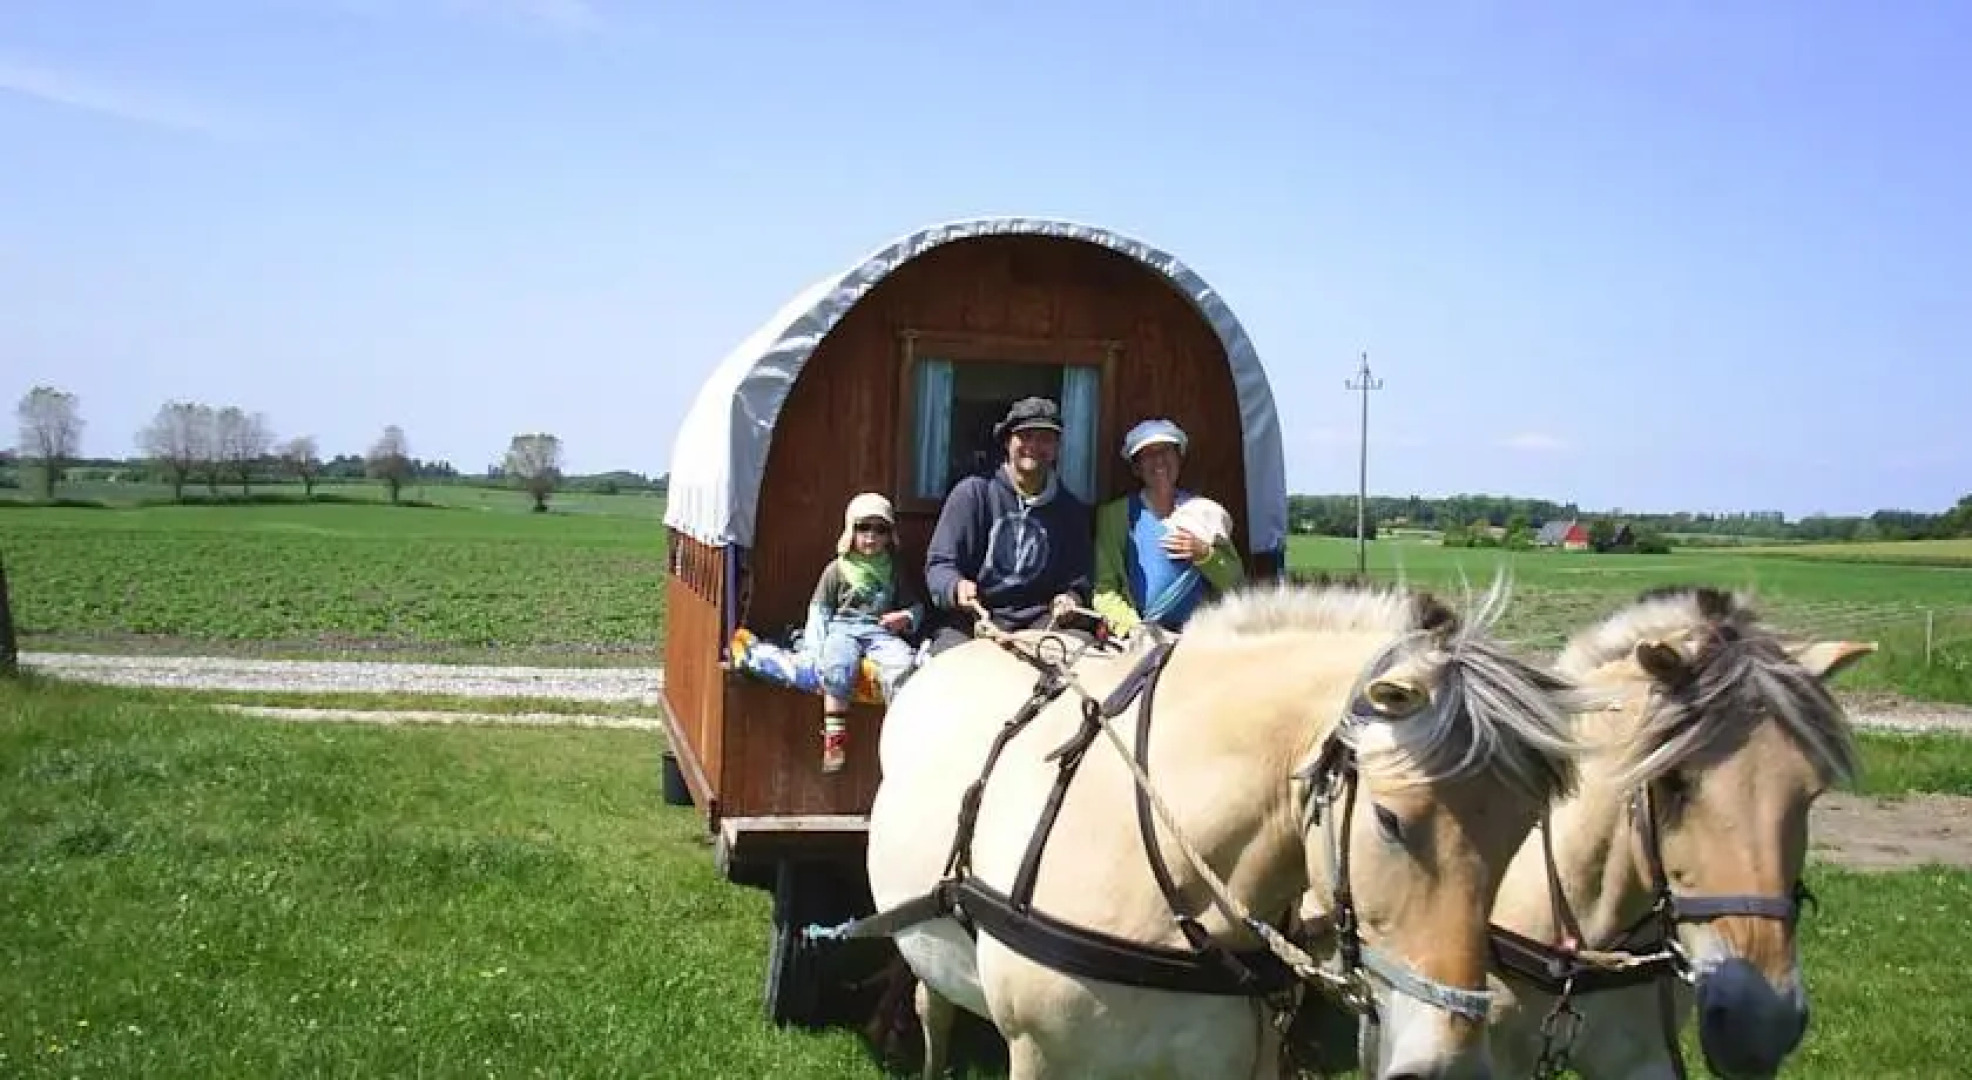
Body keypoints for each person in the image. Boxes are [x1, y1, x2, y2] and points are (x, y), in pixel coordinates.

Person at [922, 396, 1095, 655]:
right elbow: (939, 565)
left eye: (1045, 438)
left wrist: (1071, 598)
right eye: (1025, 436)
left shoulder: (1069, 509)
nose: (1034, 446)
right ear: (1007, 441)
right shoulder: (973, 494)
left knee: (1083, 661)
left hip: (1041, 625)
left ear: (1057, 447)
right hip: (974, 621)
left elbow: (1079, 580)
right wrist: (955, 586)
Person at [802, 491, 924, 773]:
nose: (871, 536)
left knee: (902, 664)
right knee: (837, 664)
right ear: (850, 530)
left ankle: (899, 735)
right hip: (843, 629)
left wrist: (904, 617)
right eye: (863, 527)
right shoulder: (837, 570)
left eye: (880, 529)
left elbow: (915, 607)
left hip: (879, 631)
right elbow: (819, 610)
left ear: (889, 534)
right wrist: (813, 648)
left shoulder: (894, 570)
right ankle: (834, 740)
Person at [1092, 418, 1245, 635]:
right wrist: (1131, 629)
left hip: (1200, 635)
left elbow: (1236, 582)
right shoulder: (1115, 516)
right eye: (1148, 455)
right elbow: (1105, 589)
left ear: (1179, 458)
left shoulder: (1205, 512)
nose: (1159, 461)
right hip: (1142, 638)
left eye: (1166, 451)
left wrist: (1205, 555)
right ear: (1136, 468)